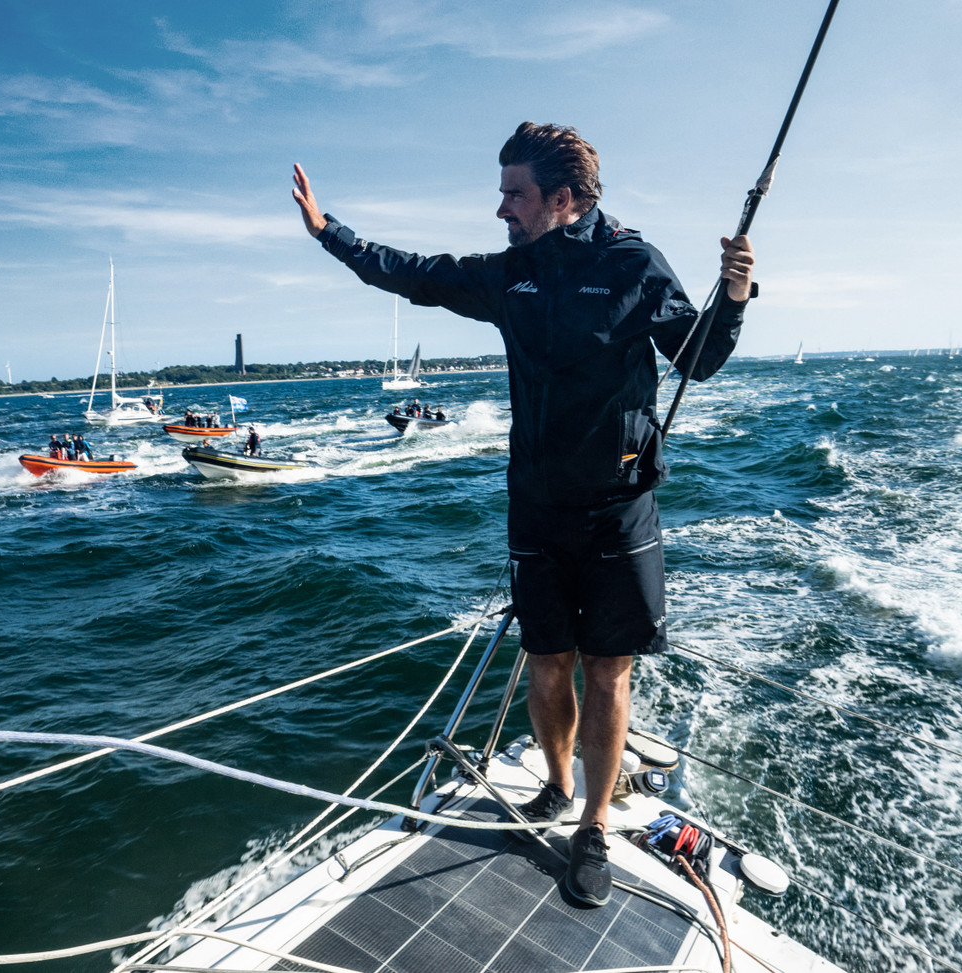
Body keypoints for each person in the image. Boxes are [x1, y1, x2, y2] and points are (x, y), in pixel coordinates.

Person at [292, 122, 754, 907]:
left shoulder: (634, 264)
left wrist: (734, 293)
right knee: (545, 661)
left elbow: (699, 358)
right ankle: (553, 783)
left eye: (514, 193)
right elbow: (418, 275)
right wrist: (331, 234)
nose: (500, 207)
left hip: (619, 510)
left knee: (608, 671)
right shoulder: (513, 275)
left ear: (562, 199)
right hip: (537, 507)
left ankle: (596, 824)